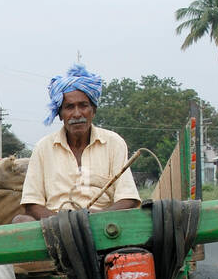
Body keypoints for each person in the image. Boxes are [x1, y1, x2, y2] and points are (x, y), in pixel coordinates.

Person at [19, 63, 141, 219]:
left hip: (103, 224)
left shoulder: (113, 142)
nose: (77, 114)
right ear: (60, 114)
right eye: (69, 107)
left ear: (93, 110)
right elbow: (32, 204)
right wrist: (64, 223)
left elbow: (128, 198)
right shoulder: (43, 147)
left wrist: (95, 219)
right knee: (20, 220)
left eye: (83, 106)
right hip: (54, 225)